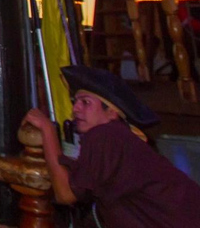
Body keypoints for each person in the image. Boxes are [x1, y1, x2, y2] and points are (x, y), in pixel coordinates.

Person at [22, 65, 200, 228]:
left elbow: (65, 194)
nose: (75, 109)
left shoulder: (105, 136)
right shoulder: (119, 138)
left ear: (112, 112)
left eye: (86, 102)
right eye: (75, 101)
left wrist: (47, 130)